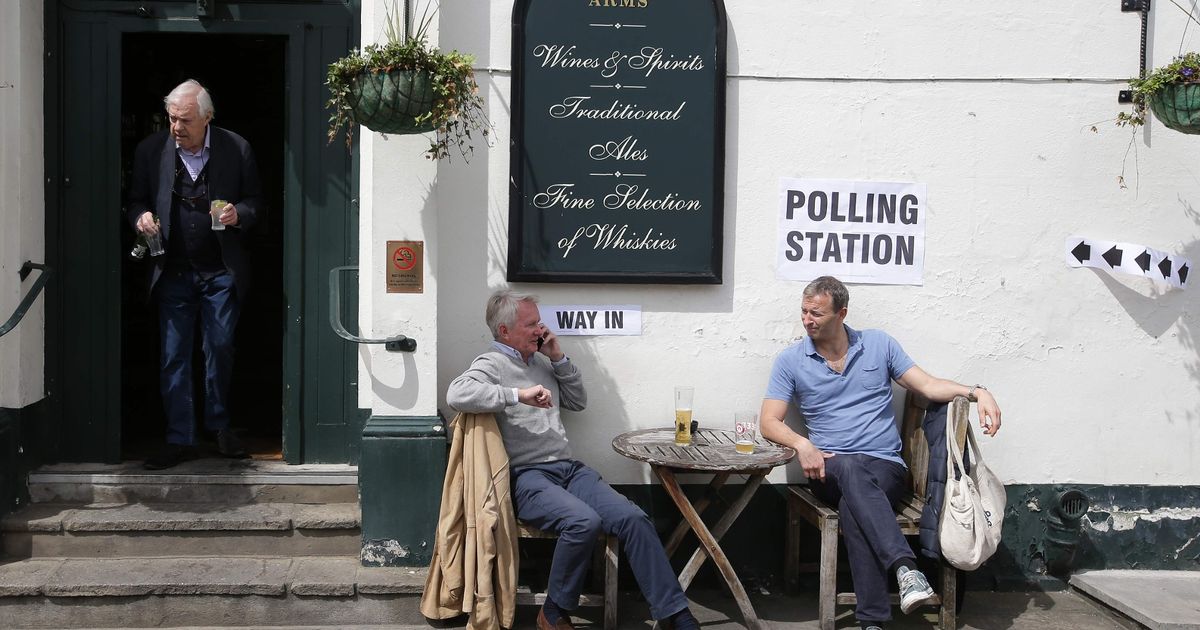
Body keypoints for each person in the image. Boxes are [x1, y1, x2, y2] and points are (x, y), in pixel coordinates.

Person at [447, 290, 699, 630]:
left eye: (539, 322)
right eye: (531, 324)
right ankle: (552, 612)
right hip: (527, 477)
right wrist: (516, 395)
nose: (540, 329)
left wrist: (558, 358)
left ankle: (674, 613)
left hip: (569, 470)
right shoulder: (491, 363)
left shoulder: (539, 360)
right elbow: (457, 393)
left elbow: (578, 402)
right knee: (583, 522)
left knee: (633, 518)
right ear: (505, 331)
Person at [760, 276, 1002, 630]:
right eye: (804, 311)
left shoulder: (878, 345)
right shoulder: (791, 360)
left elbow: (929, 385)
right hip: (828, 467)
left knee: (854, 504)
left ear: (841, 313)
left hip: (885, 467)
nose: (807, 320)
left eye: (817, 314)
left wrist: (979, 392)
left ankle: (872, 620)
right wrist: (802, 444)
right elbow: (768, 421)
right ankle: (906, 568)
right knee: (851, 471)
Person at [127, 79, 262, 470]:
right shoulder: (151, 150)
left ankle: (220, 428)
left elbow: (257, 202)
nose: (176, 128)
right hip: (172, 270)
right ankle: (179, 438)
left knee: (218, 349)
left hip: (219, 272)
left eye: (184, 120)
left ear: (207, 117)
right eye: (171, 119)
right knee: (173, 355)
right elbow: (134, 198)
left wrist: (241, 214)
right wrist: (140, 216)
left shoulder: (236, 148)